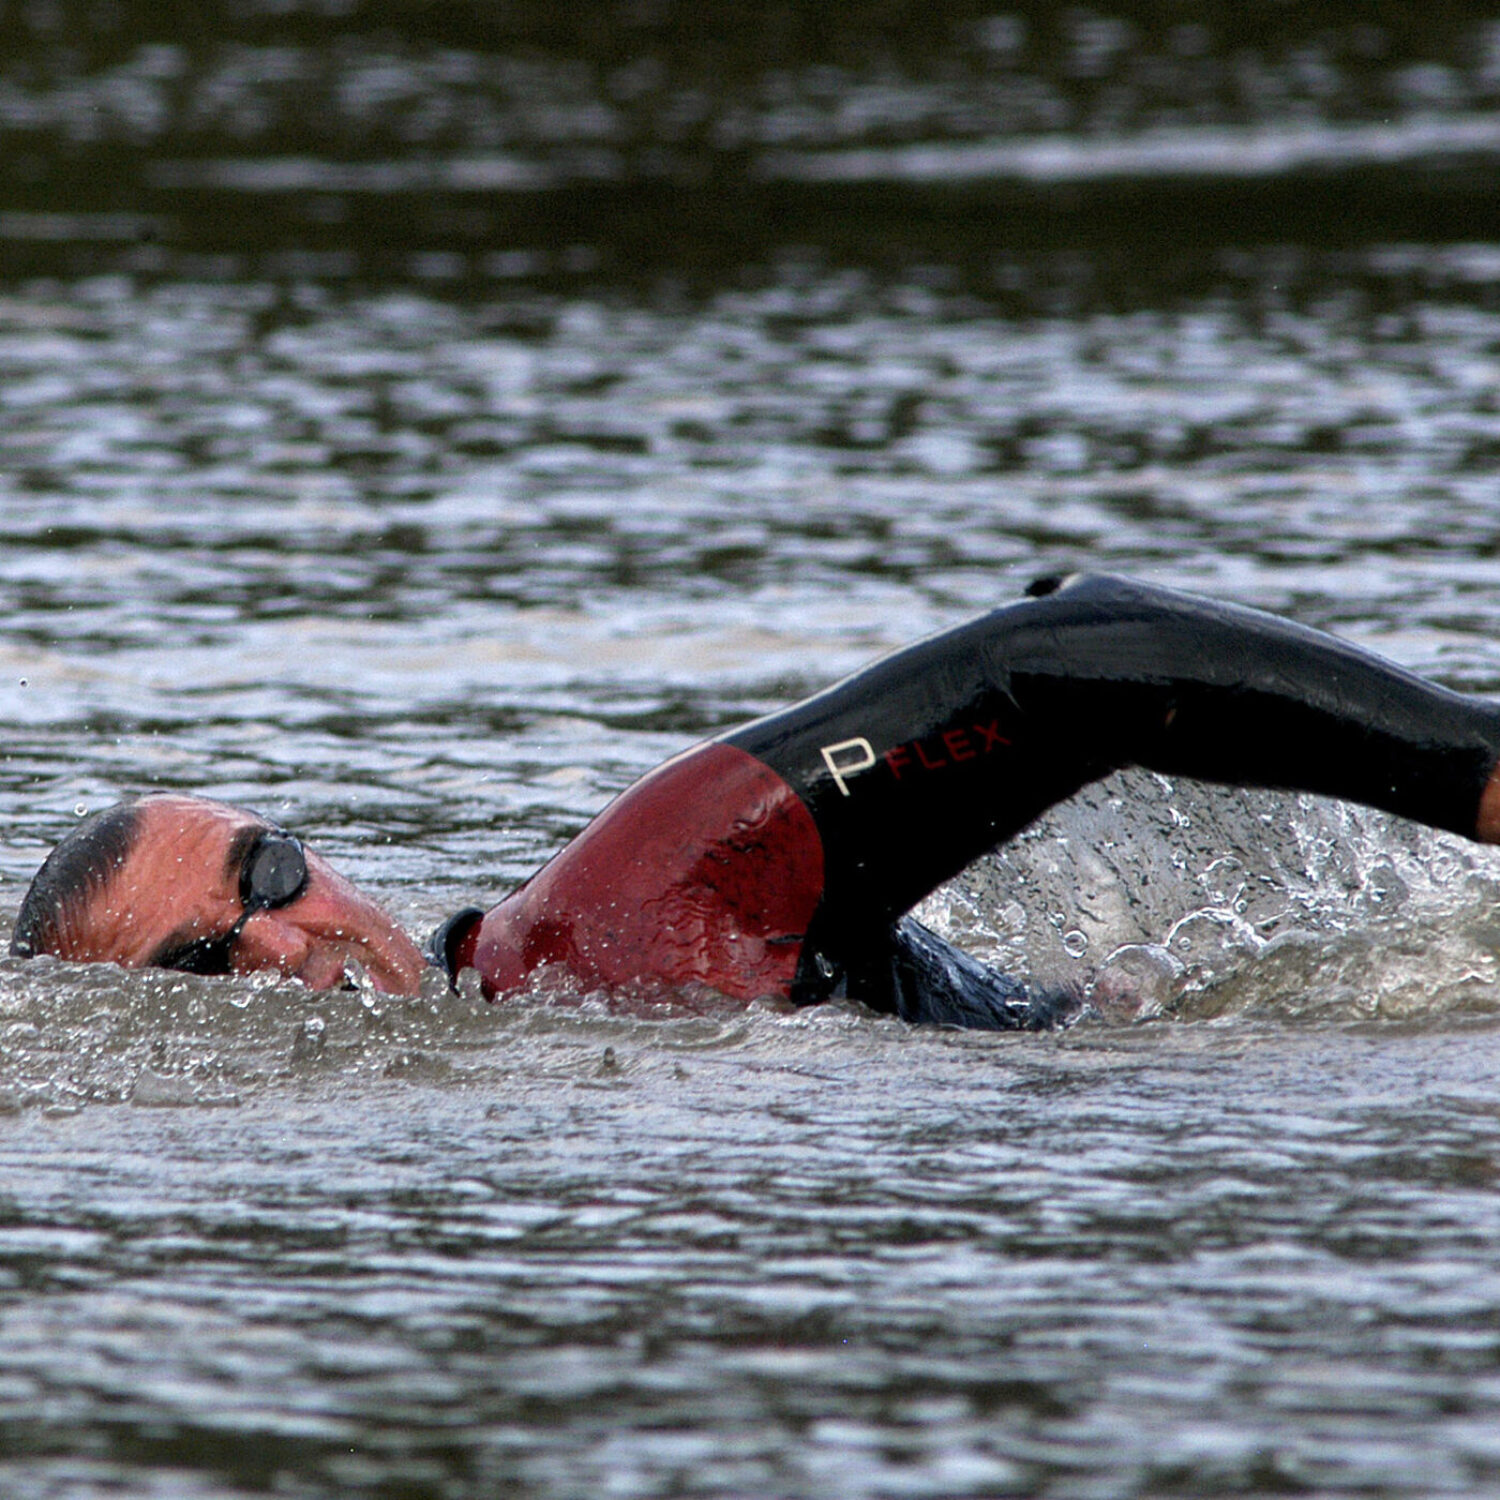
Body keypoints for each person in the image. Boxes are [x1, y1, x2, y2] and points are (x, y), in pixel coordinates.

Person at [13, 574, 1500, 1028]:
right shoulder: (554, 1007)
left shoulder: (609, 915)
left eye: (266, 876)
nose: (277, 942)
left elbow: (1064, 657)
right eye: (199, 964)